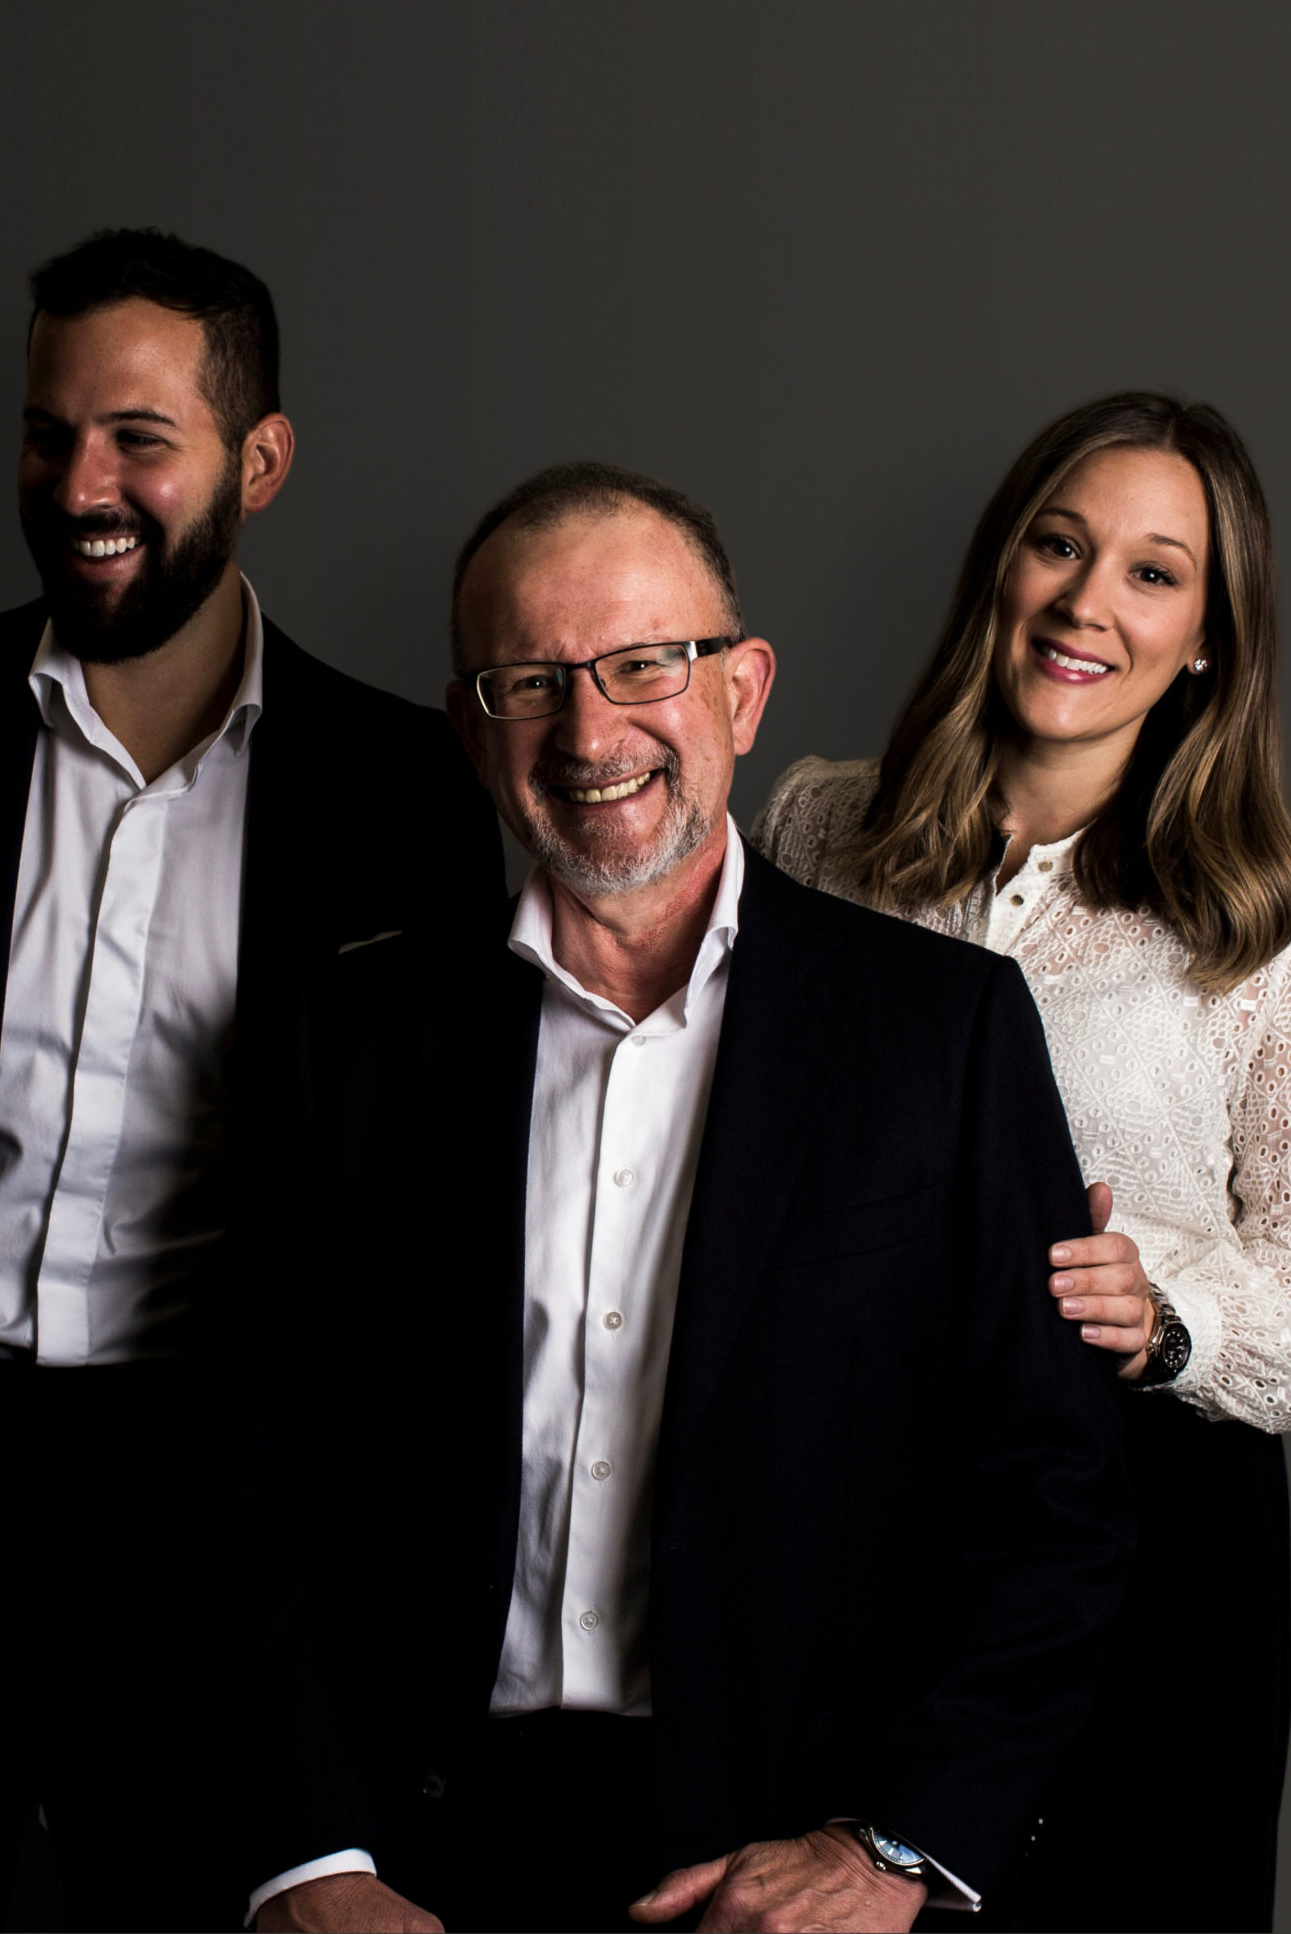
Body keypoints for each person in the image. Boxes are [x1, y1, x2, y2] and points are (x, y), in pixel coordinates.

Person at [239, 462, 1134, 1934]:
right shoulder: (352, 1039)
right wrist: (310, 1856)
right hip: (414, 1863)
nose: (592, 733)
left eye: (645, 664)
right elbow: (254, 1465)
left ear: (742, 690)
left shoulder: (943, 1032)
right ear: (472, 732)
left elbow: (1053, 1503)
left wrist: (894, 1848)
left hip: (787, 1865)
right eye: (531, 683)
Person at [0, 227, 503, 1930]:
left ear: (261, 459)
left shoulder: (403, 787)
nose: (81, 485)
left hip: (218, 1500)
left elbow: (431, 1198)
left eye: (137, 439)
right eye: (49, 435)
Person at [751, 392, 1291, 1932]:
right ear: (1002, 565)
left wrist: (1160, 1314)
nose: (1087, 601)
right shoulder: (814, 831)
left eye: (1153, 573)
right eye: (1058, 545)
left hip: (1140, 1524)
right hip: (837, 1504)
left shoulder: (1286, 916)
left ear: (1211, 642)